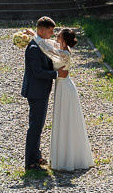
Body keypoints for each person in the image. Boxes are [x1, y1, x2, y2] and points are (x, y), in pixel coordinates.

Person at [38, 28, 94, 172]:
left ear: (63, 39)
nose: (56, 36)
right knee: (64, 119)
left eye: (59, 35)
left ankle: (68, 157)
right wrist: (34, 34)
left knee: (66, 119)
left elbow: (45, 48)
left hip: (65, 88)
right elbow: (49, 43)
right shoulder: (62, 48)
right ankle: (65, 154)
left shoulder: (63, 53)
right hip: (63, 86)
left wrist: (35, 38)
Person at [21, 16, 66, 171]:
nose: (51, 35)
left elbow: (47, 45)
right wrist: (57, 74)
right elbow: (38, 72)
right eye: (50, 32)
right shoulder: (33, 49)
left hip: (41, 90)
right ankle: (30, 162)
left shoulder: (40, 42)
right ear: (41, 31)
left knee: (39, 126)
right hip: (36, 91)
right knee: (35, 126)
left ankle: (37, 155)